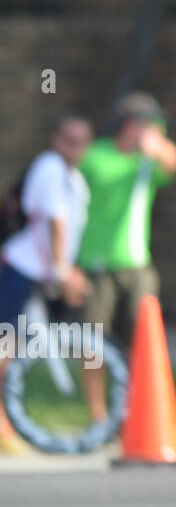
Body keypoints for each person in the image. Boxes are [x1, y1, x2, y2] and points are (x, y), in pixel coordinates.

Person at [73, 93, 176, 425]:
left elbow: (173, 162)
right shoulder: (95, 157)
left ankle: (139, 413)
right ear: (131, 126)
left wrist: (158, 149)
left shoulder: (147, 161)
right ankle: (98, 415)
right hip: (95, 267)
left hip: (137, 266)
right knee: (92, 347)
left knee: (144, 342)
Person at [0, 116, 93, 455]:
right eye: (68, 139)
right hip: (19, 269)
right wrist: (63, 271)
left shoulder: (75, 178)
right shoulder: (51, 167)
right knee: (4, 347)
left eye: (81, 141)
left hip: (38, 274)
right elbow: (56, 223)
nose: (74, 147)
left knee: (16, 345)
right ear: (55, 139)